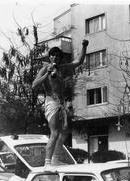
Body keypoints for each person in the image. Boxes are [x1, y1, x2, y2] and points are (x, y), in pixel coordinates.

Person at [32, 39, 89, 171]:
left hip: (62, 103)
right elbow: (34, 85)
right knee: (55, 132)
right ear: (50, 57)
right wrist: (47, 73)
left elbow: (78, 61)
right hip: (51, 101)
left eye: (58, 56)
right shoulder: (45, 68)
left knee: (65, 132)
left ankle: (55, 159)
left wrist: (84, 46)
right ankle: (47, 163)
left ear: (60, 58)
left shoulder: (63, 68)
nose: (55, 58)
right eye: (53, 55)